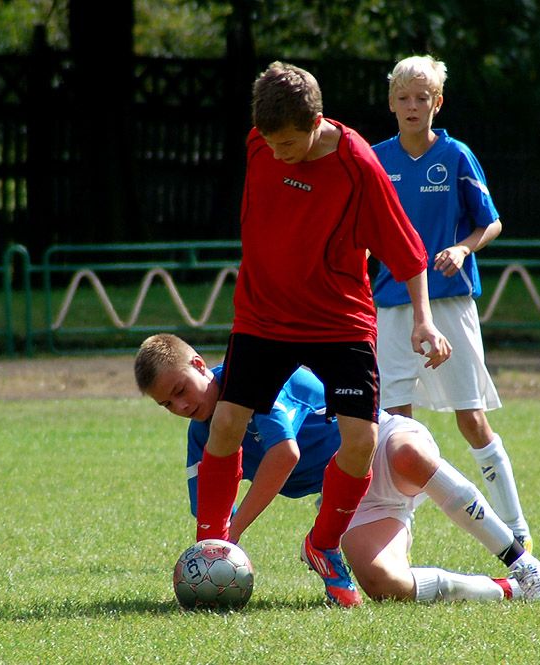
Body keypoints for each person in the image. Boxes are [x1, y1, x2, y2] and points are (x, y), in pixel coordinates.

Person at [193, 61, 452, 608]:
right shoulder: (259, 144)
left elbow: (407, 252)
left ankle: (323, 544)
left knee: (360, 442)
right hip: (263, 316)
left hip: (339, 321)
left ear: (316, 122)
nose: (277, 152)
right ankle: (209, 549)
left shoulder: (358, 165)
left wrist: (424, 320)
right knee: (226, 424)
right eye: (269, 141)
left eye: (288, 142)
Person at [134, 334, 540, 604]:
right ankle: (513, 590)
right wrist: (206, 565)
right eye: (166, 404)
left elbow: (284, 455)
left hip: (378, 441)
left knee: (408, 456)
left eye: (180, 389)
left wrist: (232, 534)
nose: (180, 405)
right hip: (347, 496)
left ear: (199, 364)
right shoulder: (201, 434)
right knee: (383, 585)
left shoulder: (250, 378)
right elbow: (207, 520)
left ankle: (526, 564)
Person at [372, 55, 532, 549]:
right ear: (392, 103)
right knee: (396, 425)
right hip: (392, 305)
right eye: (404, 98)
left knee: (471, 416)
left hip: (449, 301)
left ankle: (517, 530)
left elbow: (492, 221)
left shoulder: (457, 156)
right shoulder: (377, 159)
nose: (413, 105)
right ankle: (398, 534)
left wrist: (463, 247)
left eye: (423, 97)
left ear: (437, 103)